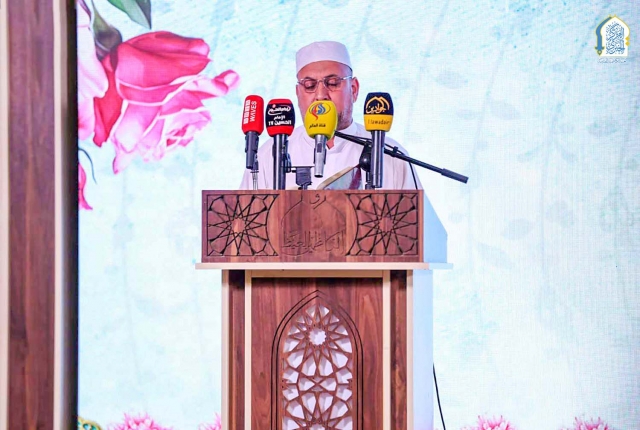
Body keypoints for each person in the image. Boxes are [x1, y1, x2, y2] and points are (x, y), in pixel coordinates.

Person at [240, 40, 421, 190]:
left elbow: (417, 220)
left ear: (354, 89)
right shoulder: (268, 155)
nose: (321, 95)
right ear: (298, 93)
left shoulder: (390, 155)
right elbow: (244, 219)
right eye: (310, 86)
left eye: (333, 83)